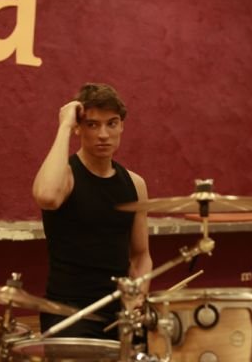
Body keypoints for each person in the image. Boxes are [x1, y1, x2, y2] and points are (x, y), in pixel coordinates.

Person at [32, 83, 153, 340]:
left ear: (121, 126)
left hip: (119, 312)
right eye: (92, 125)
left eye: (111, 124)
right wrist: (65, 125)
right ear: (79, 128)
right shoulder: (65, 176)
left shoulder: (135, 184)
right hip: (69, 313)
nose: (103, 134)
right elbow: (46, 196)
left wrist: (138, 298)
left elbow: (141, 255)